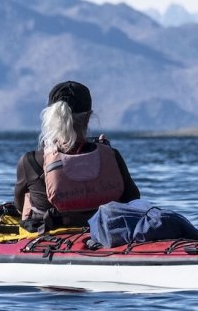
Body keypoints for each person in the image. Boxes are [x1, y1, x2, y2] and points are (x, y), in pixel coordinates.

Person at [14, 80, 140, 231]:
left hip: (48, 234)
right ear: (88, 117)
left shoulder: (30, 162)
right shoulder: (111, 155)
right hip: (105, 230)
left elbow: (19, 205)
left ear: (50, 117)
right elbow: (133, 200)